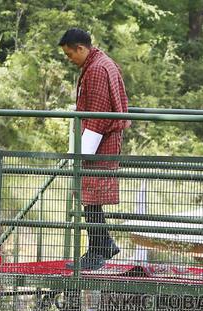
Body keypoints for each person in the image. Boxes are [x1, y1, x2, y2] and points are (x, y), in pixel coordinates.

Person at [59, 28, 130, 272]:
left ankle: (98, 250)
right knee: (91, 199)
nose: (70, 59)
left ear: (81, 48)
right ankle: (102, 245)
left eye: (70, 54)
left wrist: (83, 150)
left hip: (98, 141)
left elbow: (98, 113)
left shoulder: (97, 69)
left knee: (90, 196)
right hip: (100, 139)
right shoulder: (101, 63)